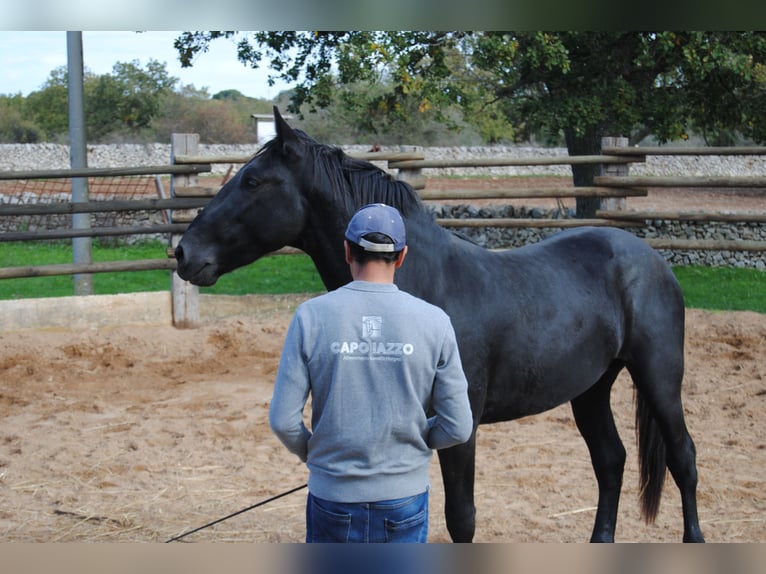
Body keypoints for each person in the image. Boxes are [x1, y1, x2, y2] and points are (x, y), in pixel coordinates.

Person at [269, 203, 473, 543]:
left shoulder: (310, 317)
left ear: (347, 250)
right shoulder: (435, 321)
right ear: (402, 255)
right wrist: (417, 439)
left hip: (332, 494)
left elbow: (282, 420)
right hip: (404, 495)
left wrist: (317, 454)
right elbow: (458, 426)